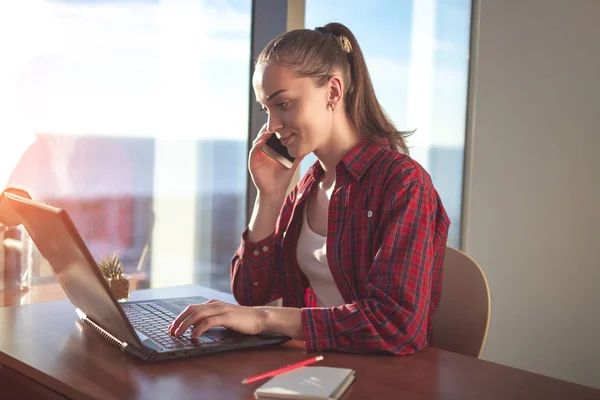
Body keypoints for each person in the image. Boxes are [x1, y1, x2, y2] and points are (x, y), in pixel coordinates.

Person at [169, 22, 450, 355]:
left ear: (333, 91)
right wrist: (269, 197)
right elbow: (250, 293)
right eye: (266, 109)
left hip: (386, 380)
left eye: (283, 104)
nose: (272, 126)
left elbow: (397, 325)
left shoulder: (403, 183)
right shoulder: (308, 184)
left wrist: (265, 319)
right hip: (321, 368)